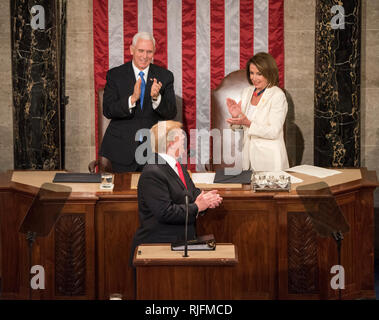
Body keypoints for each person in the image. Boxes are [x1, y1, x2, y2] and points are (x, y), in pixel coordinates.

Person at [130, 121, 222, 261]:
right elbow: (165, 212)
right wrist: (198, 206)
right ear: (171, 143)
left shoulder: (178, 167)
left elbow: (193, 193)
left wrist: (207, 200)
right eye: (182, 137)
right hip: (159, 248)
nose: (185, 140)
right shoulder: (153, 172)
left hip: (181, 244)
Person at [100, 32, 177, 172]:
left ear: (153, 53)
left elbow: (171, 112)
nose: (144, 56)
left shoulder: (165, 76)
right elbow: (108, 109)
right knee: (121, 193)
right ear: (131, 50)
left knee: (153, 192)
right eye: (140, 51)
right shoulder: (115, 75)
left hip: (155, 150)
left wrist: (156, 98)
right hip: (121, 149)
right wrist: (132, 99)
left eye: (149, 52)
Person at [226, 52, 289, 171]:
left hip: (270, 161)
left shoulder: (277, 95)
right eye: (251, 73)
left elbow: (274, 131)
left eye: (259, 74)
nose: (254, 78)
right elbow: (241, 127)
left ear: (269, 73)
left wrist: (248, 123)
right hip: (248, 161)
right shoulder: (247, 92)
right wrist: (236, 117)